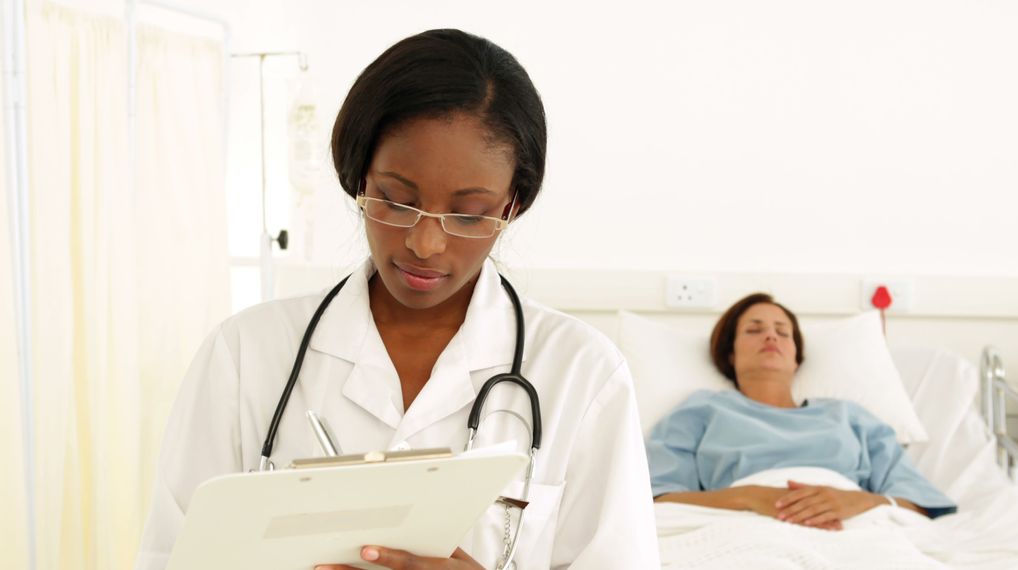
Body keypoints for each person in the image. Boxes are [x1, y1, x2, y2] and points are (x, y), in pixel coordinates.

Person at [135, 29, 660, 570]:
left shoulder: (582, 373)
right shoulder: (245, 353)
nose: (424, 244)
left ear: (511, 206)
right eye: (396, 200)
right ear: (359, 175)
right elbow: (170, 556)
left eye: (469, 213)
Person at [645, 293, 956, 531]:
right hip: (742, 526)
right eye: (754, 330)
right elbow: (656, 499)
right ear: (730, 353)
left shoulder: (848, 417)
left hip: (853, 526)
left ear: (796, 357)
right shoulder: (701, 411)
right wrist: (749, 498)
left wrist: (857, 501)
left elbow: (920, 505)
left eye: (783, 332)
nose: (771, 336)